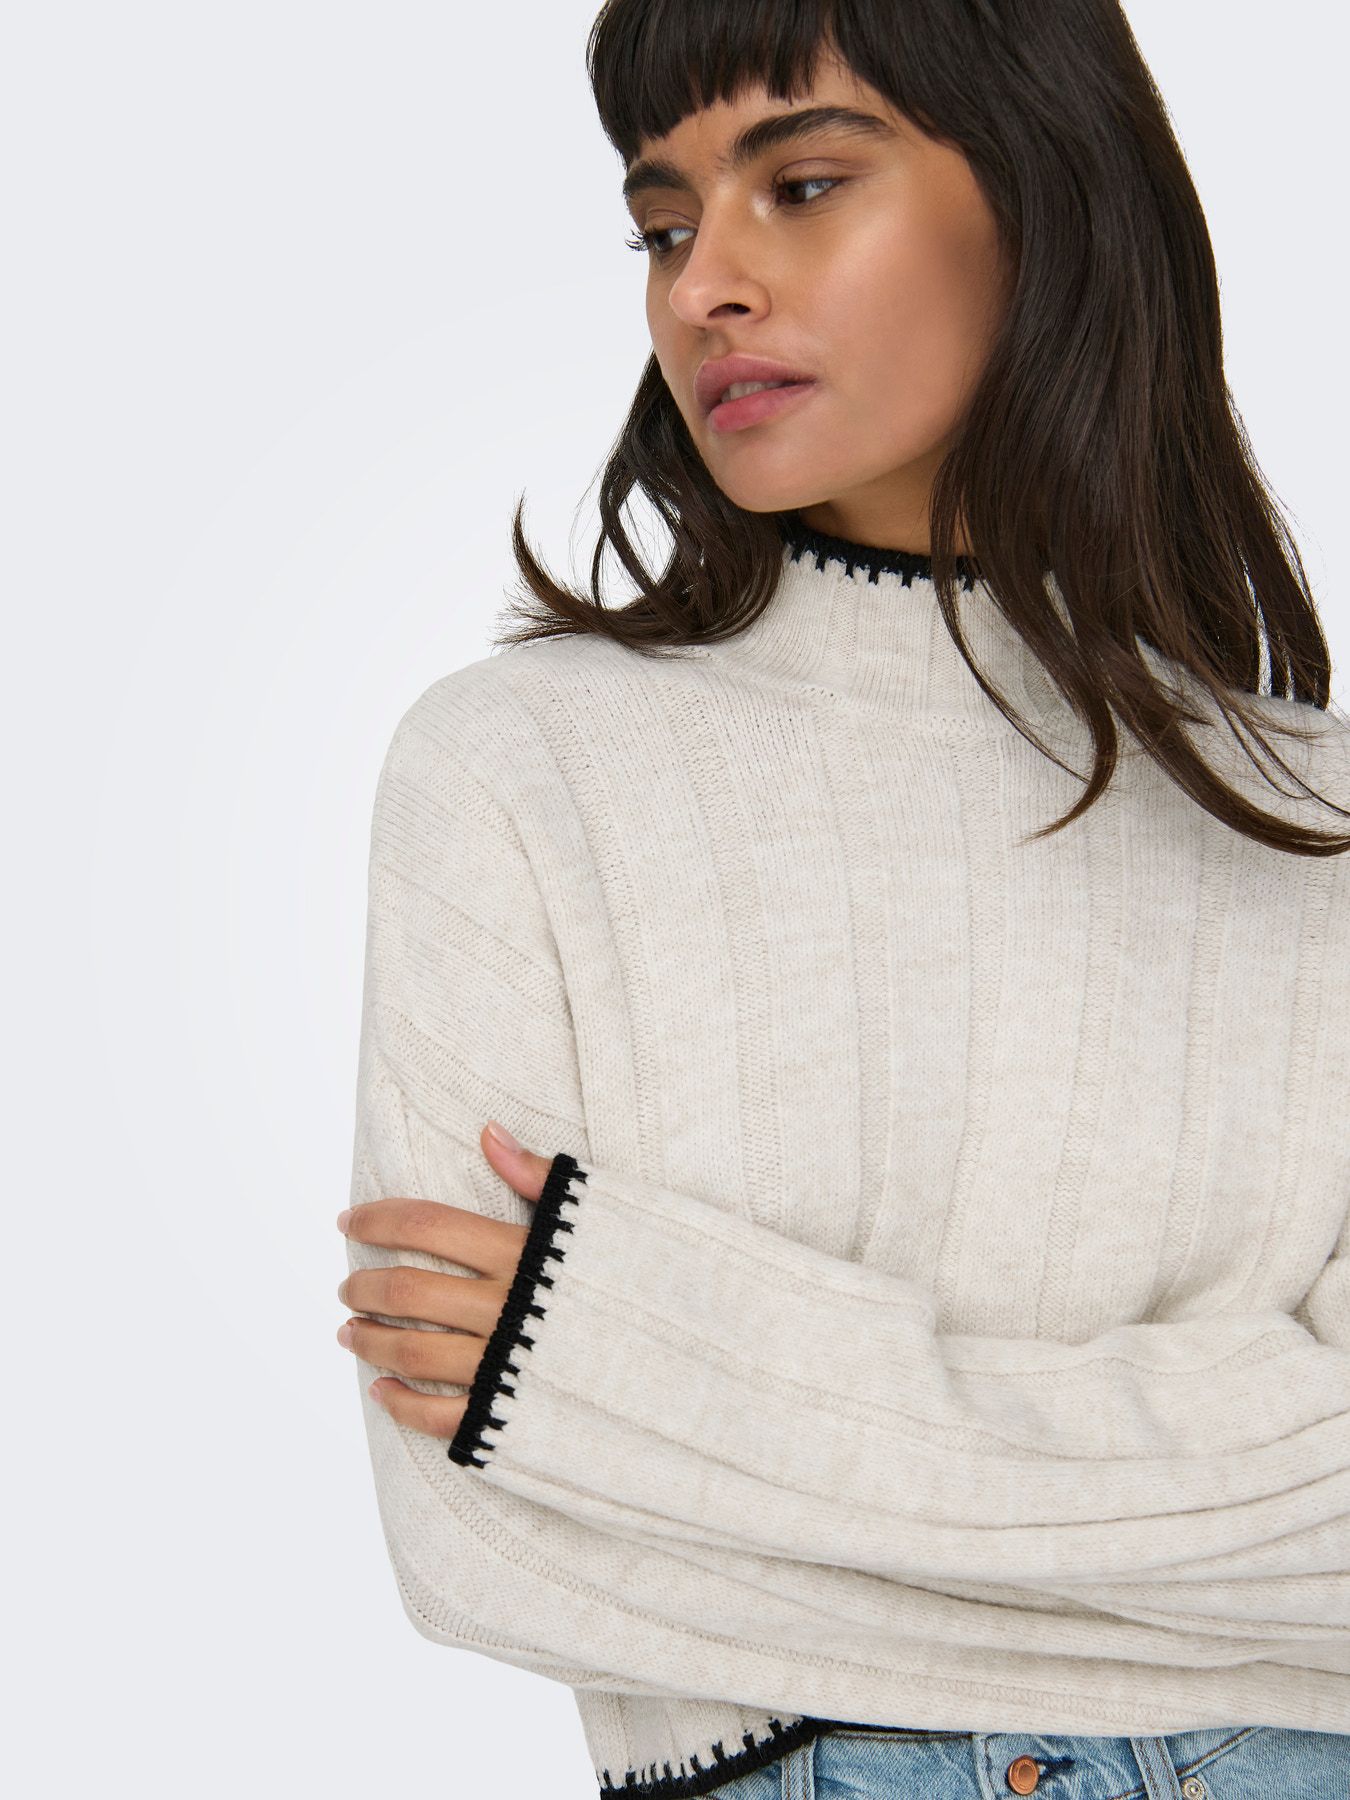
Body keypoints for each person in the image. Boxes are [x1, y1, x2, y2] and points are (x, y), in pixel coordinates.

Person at [335, 2, 1350, 1795]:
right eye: (661, 226)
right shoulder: (521, 774)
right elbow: (486, 1543)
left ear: (1047, 196)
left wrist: (643, 1371)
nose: (703, 288)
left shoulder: (1318, 819)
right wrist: (1209, 1543)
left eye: (799, 185)